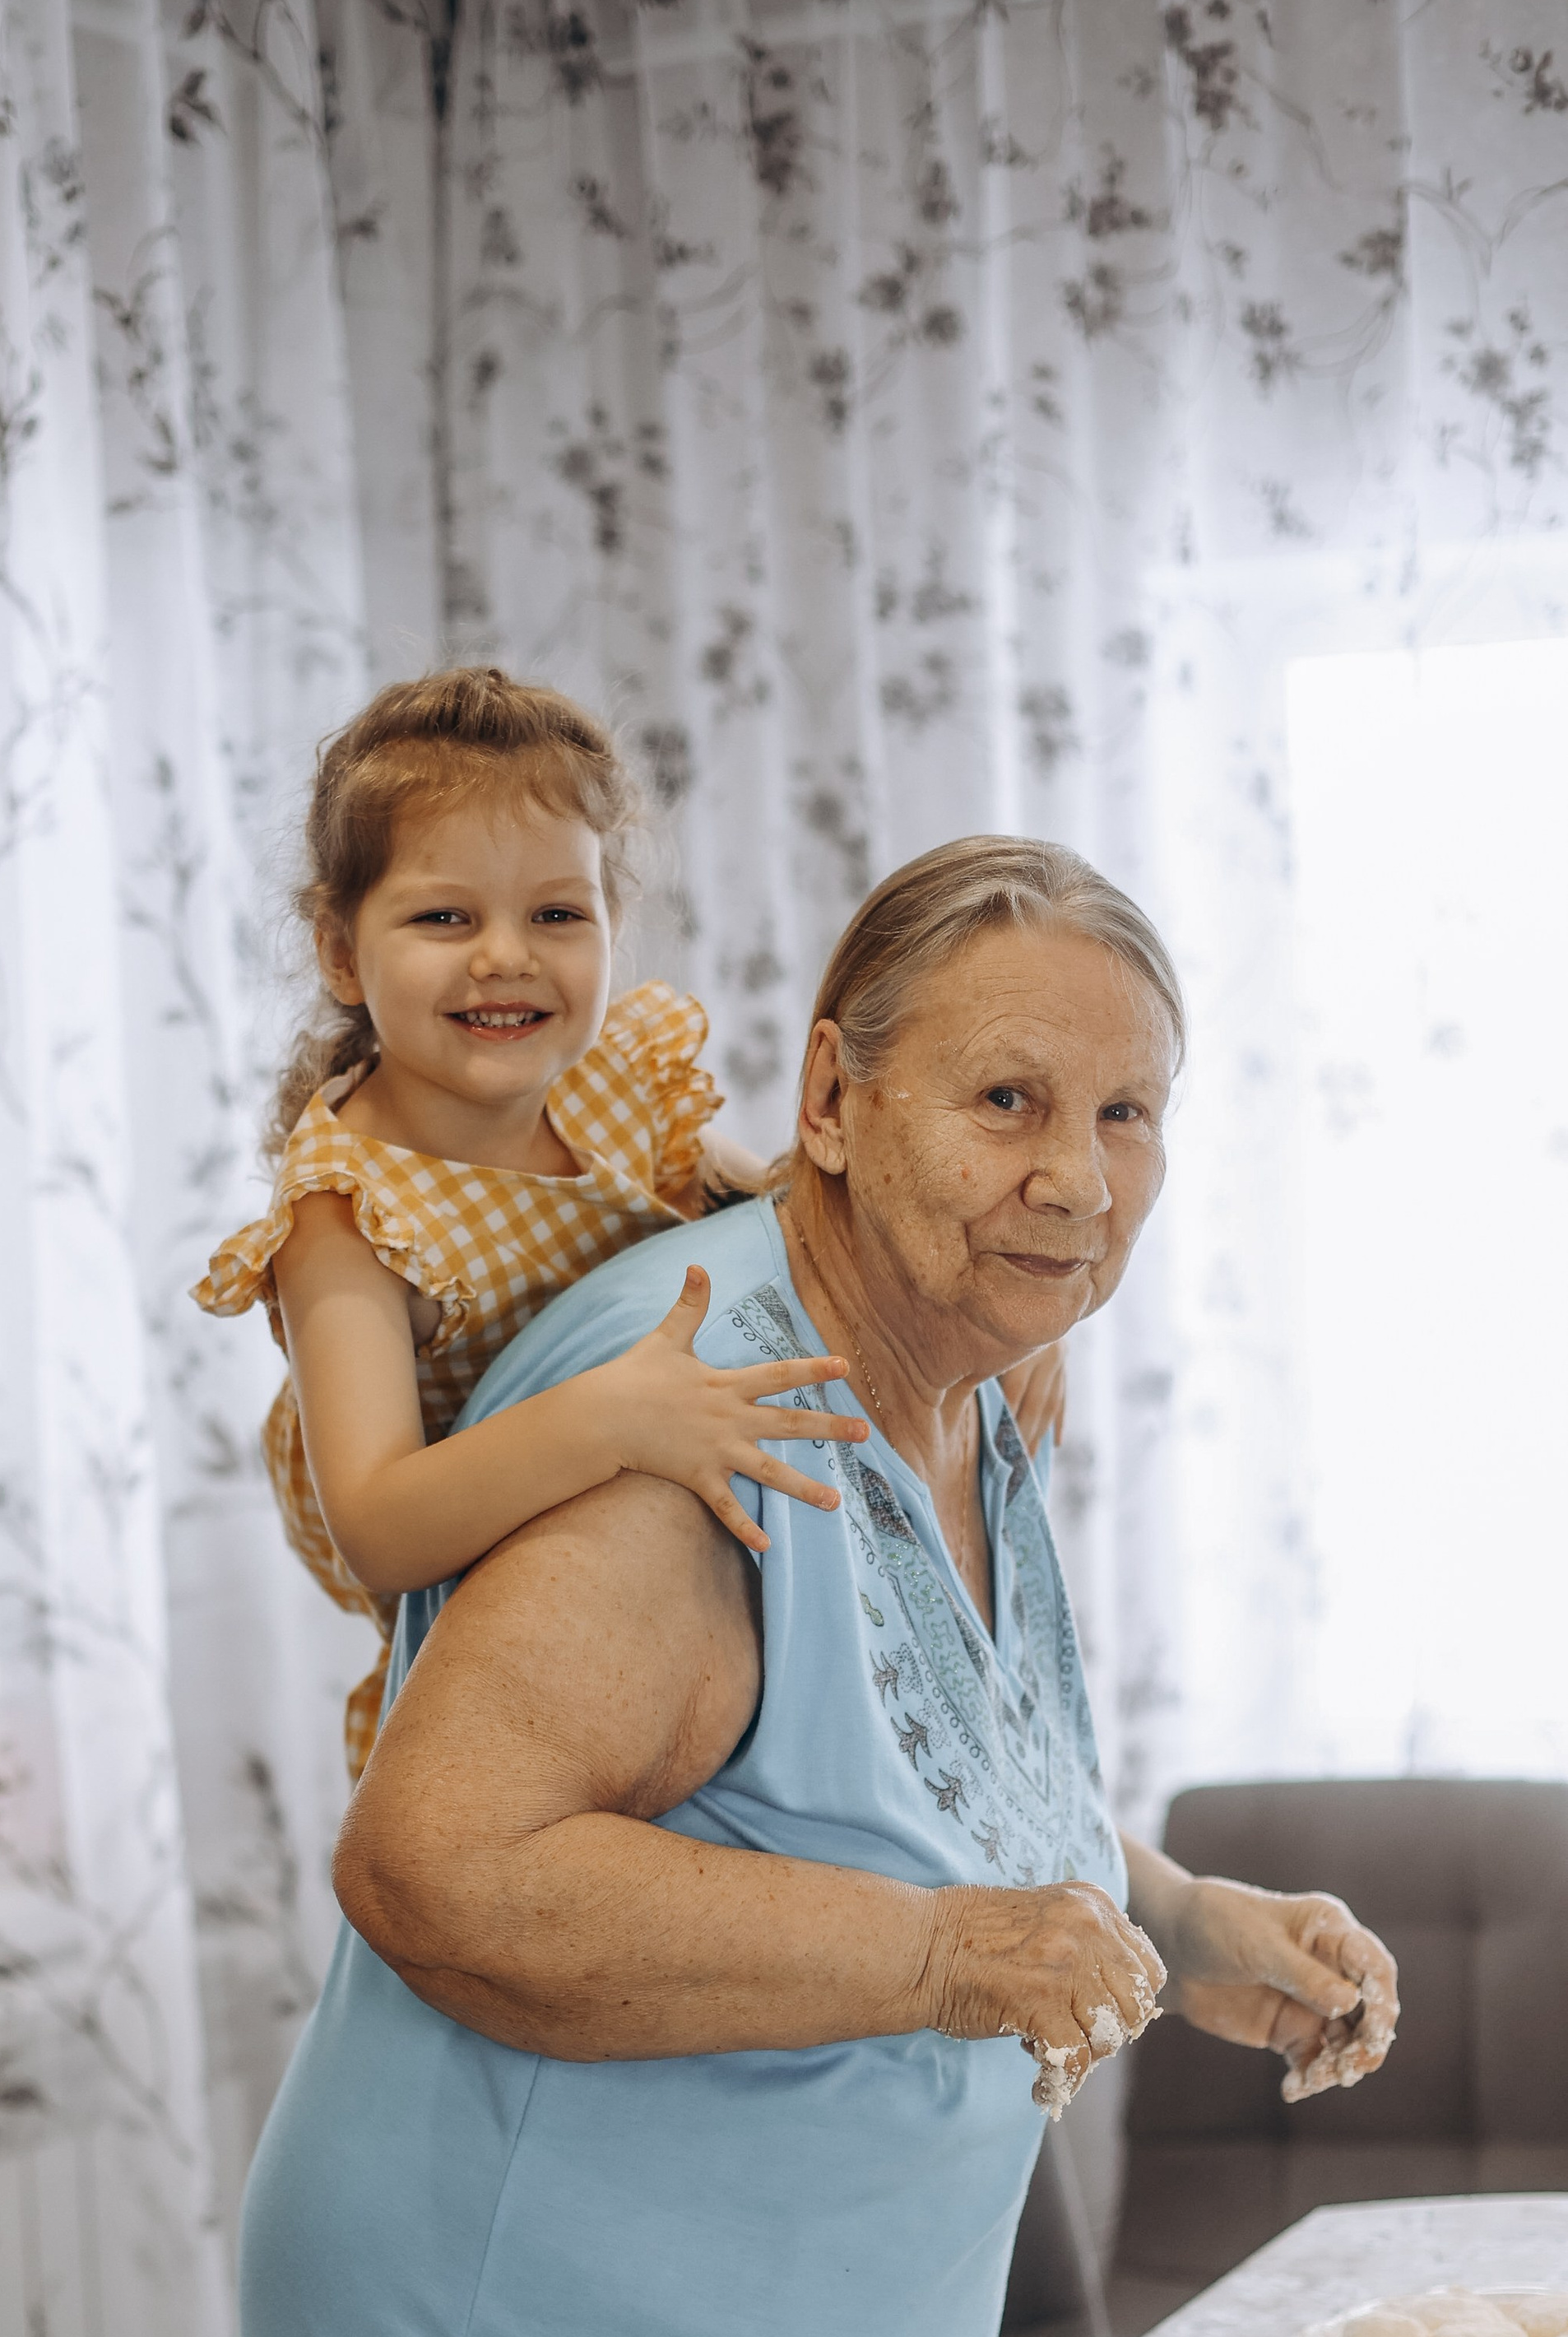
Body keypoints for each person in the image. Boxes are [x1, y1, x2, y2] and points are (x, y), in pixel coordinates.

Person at [130, 835, 1399, 2337]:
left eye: (1126, 1116)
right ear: (831, 1100)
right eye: (1006, 1102)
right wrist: (935, 1962)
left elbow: (910, 1749)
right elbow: (439, 1869)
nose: (1077, 1179)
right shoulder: (692, 1429)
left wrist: (1178, 1920)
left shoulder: (988, 1375)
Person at [194, 667, 1064, 1778]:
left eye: (556, 913)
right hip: (501, 1586)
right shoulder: (347, 1214)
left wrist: (999, 1332)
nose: (505, 954)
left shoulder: (612, 1075)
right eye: (444, 916)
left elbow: (800, 1216)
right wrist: (609, 1420)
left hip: (661, 1527)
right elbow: (377, 1520)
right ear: (336, 949)